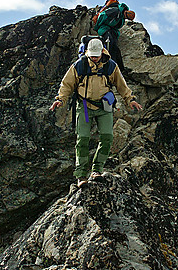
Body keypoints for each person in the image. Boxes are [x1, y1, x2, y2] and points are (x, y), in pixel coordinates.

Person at [50, 38, 142, 186]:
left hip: (104, 108)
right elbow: (67, 84)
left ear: (102, 52)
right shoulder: (79, 65)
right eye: (91, 55)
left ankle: (97, 170)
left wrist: (130, 99)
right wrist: (61, 99)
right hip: (84, 107)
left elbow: (121, 85)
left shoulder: (111, 66)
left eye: (96, 55)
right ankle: (81, 176)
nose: (94, 58)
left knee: (107, 137)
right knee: (83, 139)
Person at [93, 0, 135, 70]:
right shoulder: (115, 11)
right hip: (104, 28)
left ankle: (119, 67)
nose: (126, 18)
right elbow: (102, 16)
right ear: (126, 13)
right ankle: (108, 62)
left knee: (115, 47)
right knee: (109, 42)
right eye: (127, 17)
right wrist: (97, 26)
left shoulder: (120, 16)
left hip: (110, 30)